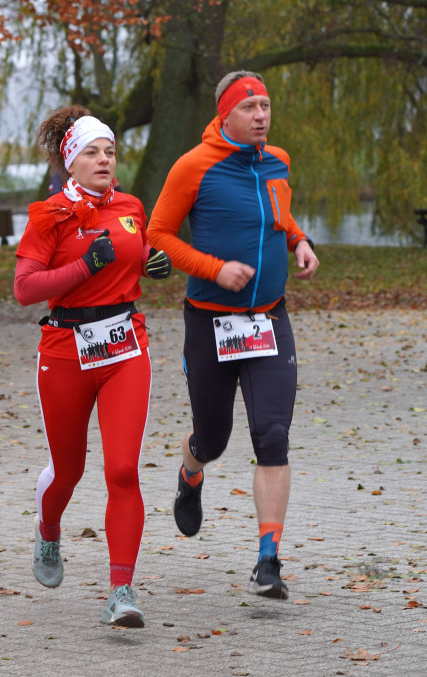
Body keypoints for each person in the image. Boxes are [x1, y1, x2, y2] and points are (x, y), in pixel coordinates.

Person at [147, 71, 320, 600]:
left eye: (266, 105)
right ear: (226, 115)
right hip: (210, 322)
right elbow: (157, 234)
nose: (262, 115)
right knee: (215, 438)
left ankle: (268, 560)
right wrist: (213, 268)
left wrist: (300, 240)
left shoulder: (278, 161)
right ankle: (191, 469)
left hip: (269, 319)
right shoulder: (193, 166)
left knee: (272, 436)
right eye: (250, 108)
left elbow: (280, 215)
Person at [13, 105, 172, 627]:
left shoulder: (130, 204)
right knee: (70, 469)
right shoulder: (49, 216)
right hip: (65, 349)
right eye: (91, 152)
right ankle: (49, 529)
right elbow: (25, 289)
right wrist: (85, 266)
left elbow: (136, 250)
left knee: (123, 469)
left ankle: (121, 590)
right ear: (70, 162)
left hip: (125, 345)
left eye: (109, 151)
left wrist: (152, 259)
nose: (104, 159)